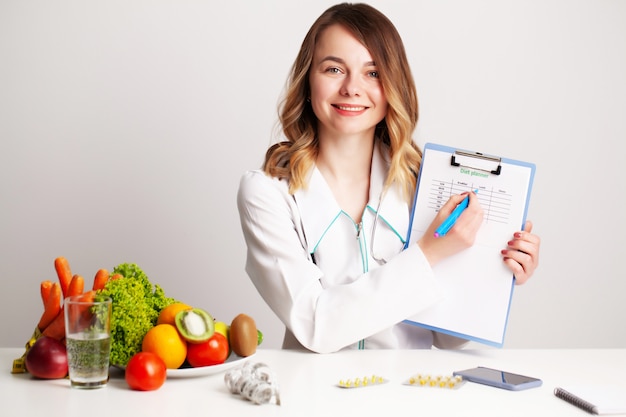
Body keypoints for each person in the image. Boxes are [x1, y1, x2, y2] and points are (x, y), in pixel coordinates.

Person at [236, 3, 540, 353]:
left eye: (373, 73)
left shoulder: (422, 181)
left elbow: (445, 334)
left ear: (392, 86)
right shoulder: (266, 192)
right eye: (334, 68)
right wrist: (428, 253)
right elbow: (316, 326)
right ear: (308, 80)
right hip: (316, 396)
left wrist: (499, 274)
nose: (352, 88)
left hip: (408, 396)